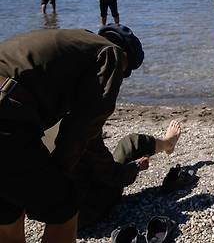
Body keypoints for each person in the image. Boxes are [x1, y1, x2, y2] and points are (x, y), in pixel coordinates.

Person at [0, 24, 143, 243]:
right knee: (64, 205)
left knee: (9, 206)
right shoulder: (110, 53)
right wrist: (59, 174)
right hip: (6, 115)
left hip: (9, 107)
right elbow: (82, 128)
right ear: (125, 58)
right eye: (125, 74)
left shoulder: (75, 42)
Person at [73, 120, 182, 228]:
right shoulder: (82, 128)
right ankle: (168, 143)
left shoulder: (58, 123)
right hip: (82, 215)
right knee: (130, 143)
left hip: (60, 222)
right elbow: (113, 175)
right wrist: (136, 166)